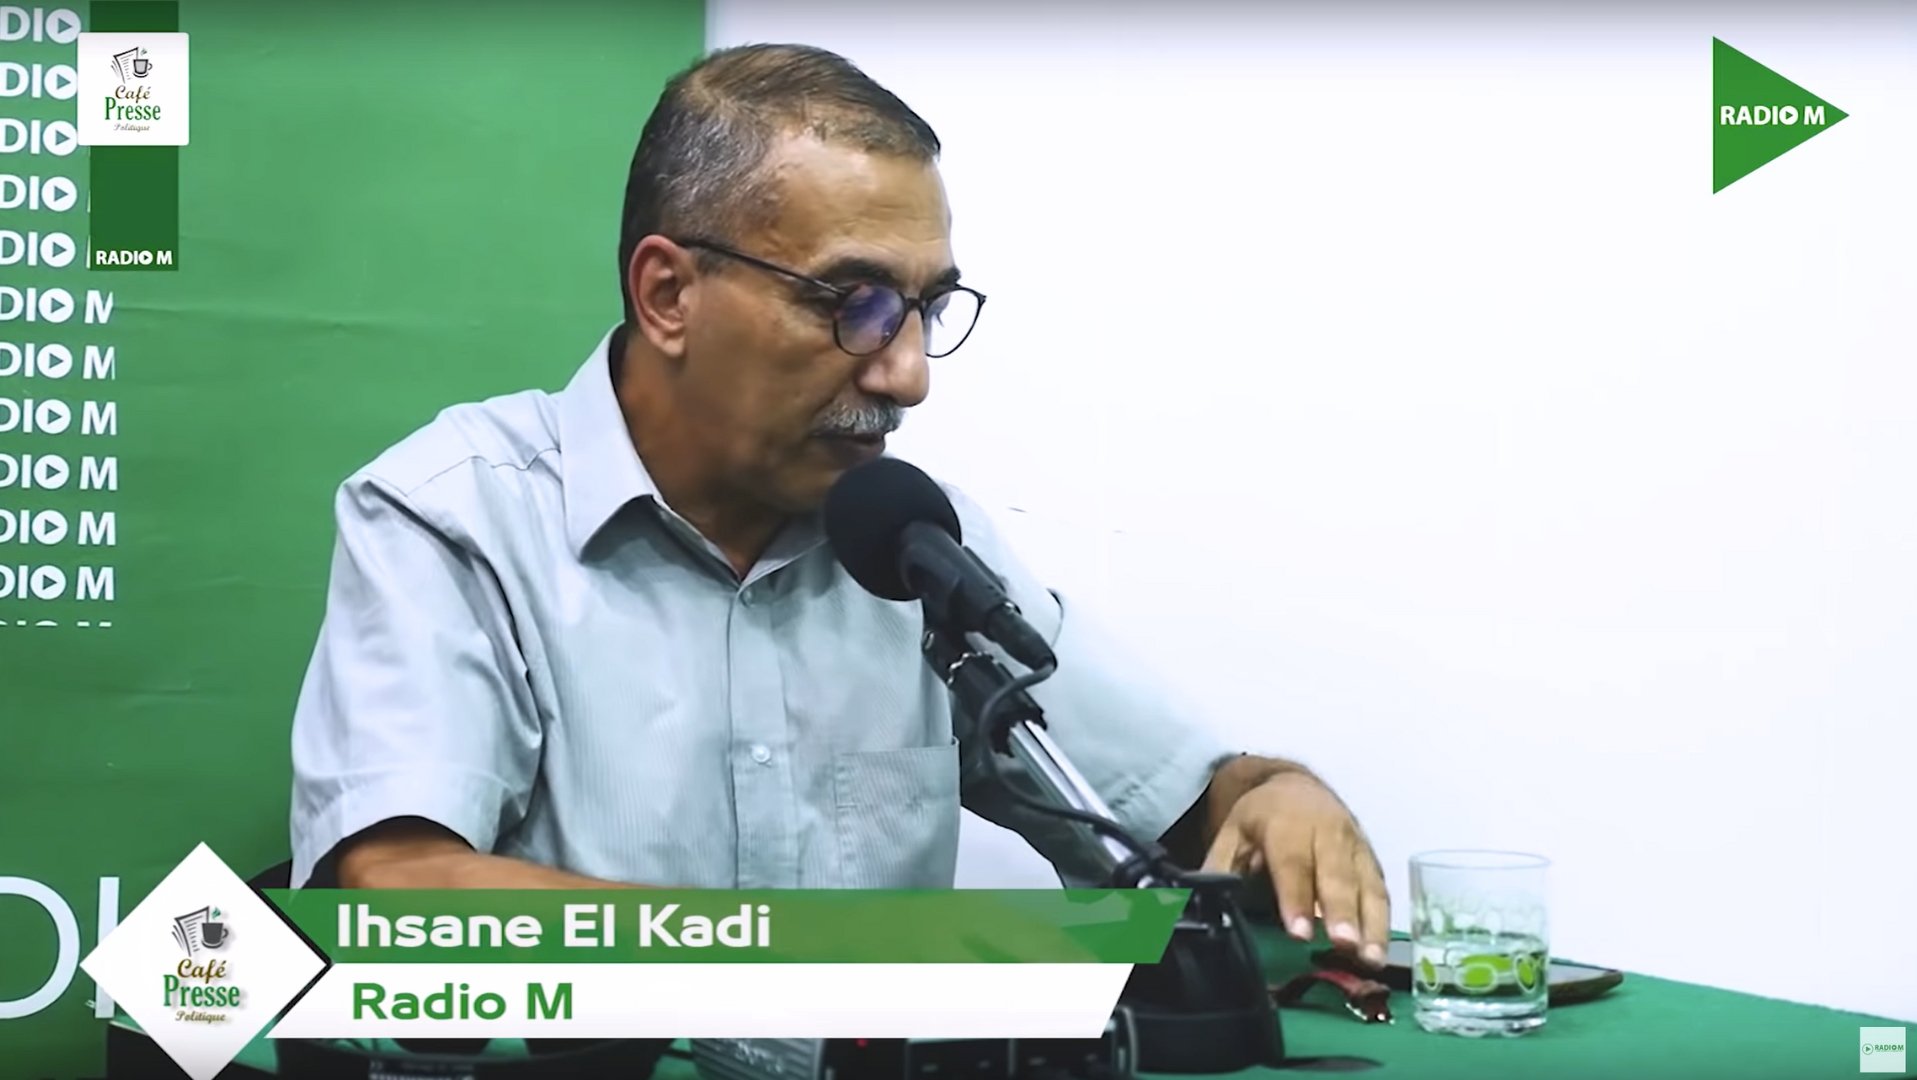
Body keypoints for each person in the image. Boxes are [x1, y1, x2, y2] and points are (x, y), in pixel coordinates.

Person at [288, 43, 1389, 968]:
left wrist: (1274, 797)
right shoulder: (452, 518)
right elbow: (396, 887)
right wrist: (781, 964)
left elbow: (1171, 808)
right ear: (668, 294)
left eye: (929, 307)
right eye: (854, 303)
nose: (908, 374)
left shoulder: (909, 543)